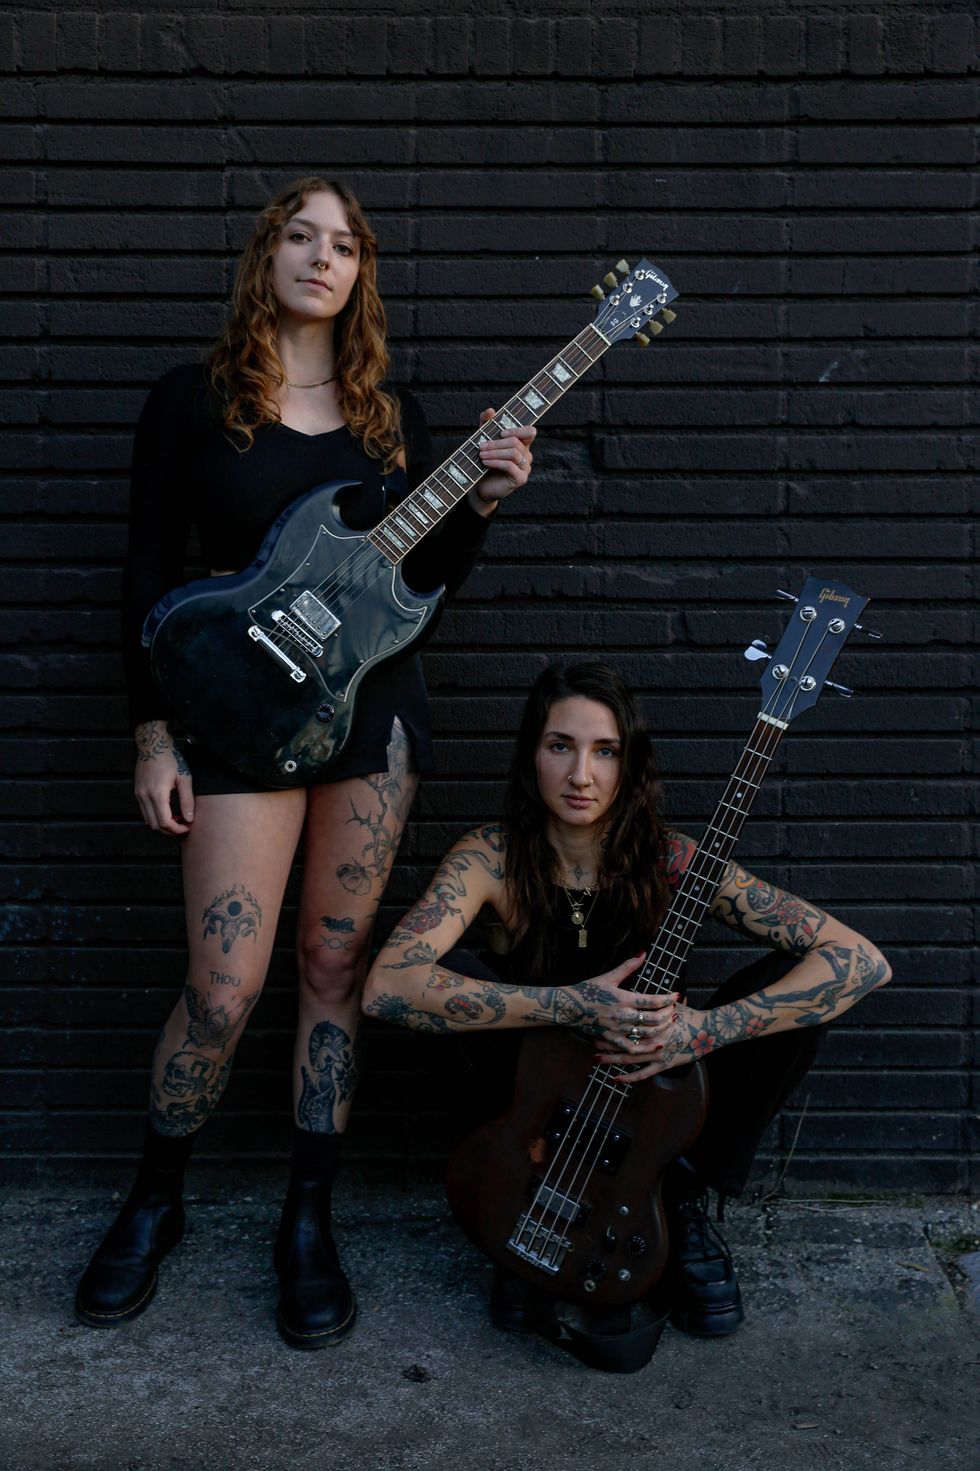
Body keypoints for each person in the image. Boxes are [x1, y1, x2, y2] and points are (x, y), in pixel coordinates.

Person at [75, 176, 535, 1347]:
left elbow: (416, 597)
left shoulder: (395, 423)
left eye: (343, 245)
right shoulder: (193, 404)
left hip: (368, 722)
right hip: (231, 726)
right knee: (223, 988)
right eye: (299, 236)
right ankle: (154, 1198)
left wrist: (476, 503)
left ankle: (306, 1219)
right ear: (266, 255)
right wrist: (151, 728)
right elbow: (142, 567)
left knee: (332, 973)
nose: (320, 258)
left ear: (360, 273)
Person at [362, 659, 891, 1372]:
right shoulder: (489, 858)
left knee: (792, 995)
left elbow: (861, 959)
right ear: (531, 755)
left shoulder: (674, 861)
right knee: (448, 986)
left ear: (629, 763)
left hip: (651, 1100)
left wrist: (703, 1031)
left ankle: (679, 1200)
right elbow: (384, 986)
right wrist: (569, 1005)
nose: (581, 773)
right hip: (536, 1112)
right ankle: (519, 1198)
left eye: (604, 750)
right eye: (561, 746)